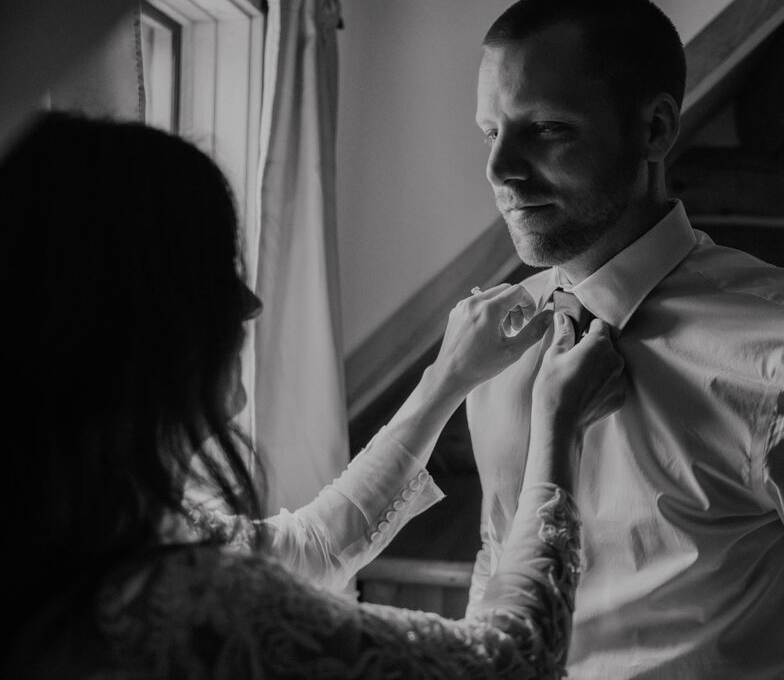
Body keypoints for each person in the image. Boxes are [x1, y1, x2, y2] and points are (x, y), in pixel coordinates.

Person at [0, 111, 627, 678]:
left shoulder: (84, 527)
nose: (249, 304)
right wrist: (558, 429)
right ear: (140, 323)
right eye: (216, 276)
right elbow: (511, 662)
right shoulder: (186, 602)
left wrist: (446, 380)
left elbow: (311, 548)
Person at [466, 0, 784, 678]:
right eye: (490, 131)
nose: (499, 170)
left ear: (656, 128)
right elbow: (498, 562)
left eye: (545, 129)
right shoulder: (496, 339)